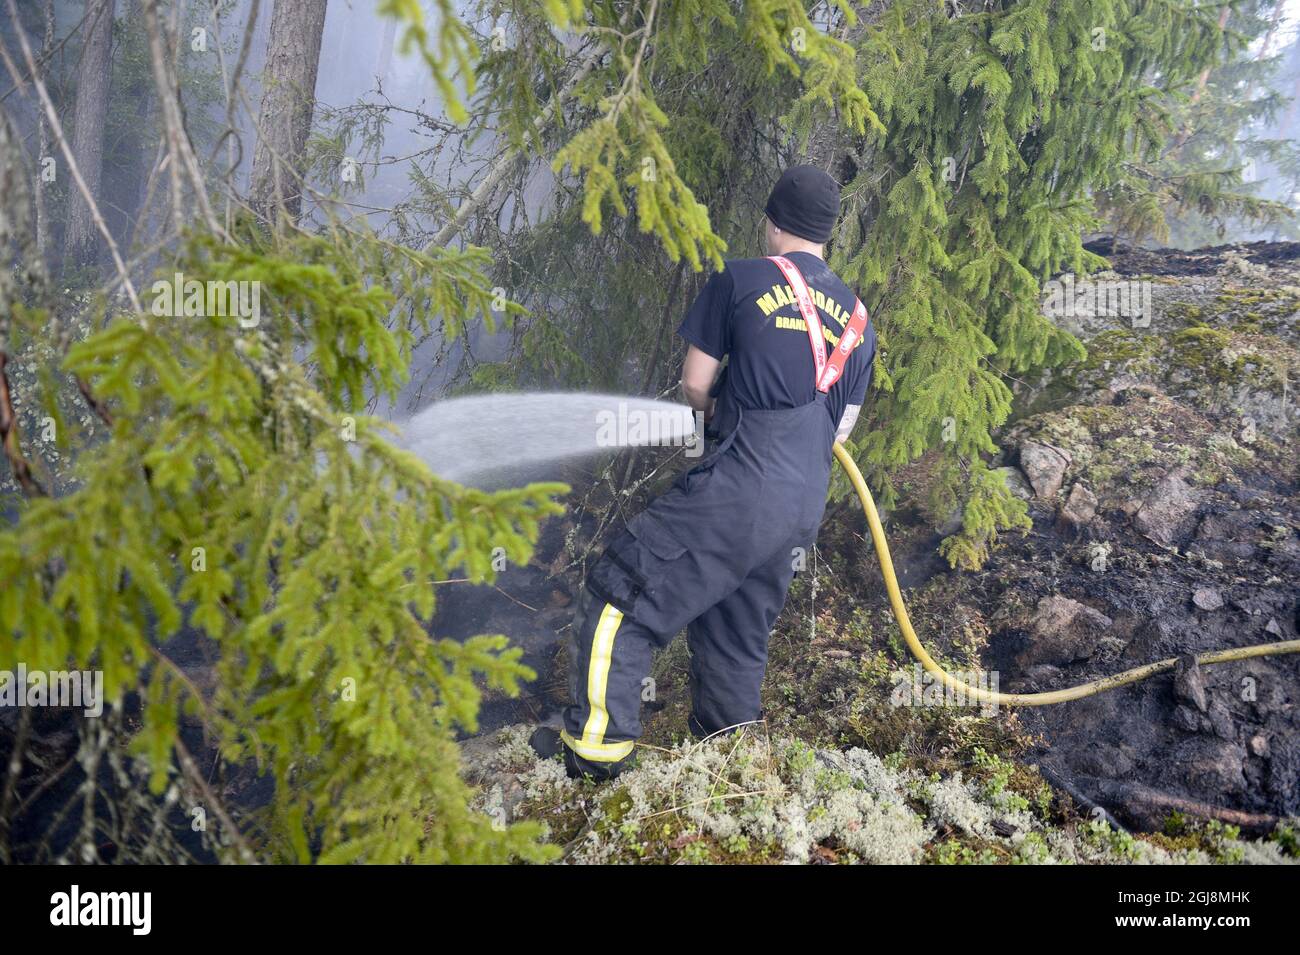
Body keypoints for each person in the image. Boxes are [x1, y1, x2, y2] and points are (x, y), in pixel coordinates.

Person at [532, 165, 876, 780]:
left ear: (771, 223)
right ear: (828, 236)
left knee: (620, 595)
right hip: (801, 507)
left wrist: (720, 410)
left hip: (739, 487)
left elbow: (694, 382)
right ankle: (726, 763)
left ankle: (594, 759)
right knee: (736, 633)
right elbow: (839, 431)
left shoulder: (739, 281)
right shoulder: (858, 319)